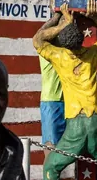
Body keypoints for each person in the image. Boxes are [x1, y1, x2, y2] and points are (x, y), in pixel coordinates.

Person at [32, 0, 97, 180]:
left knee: (51, 167)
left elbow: (38, 40)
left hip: (76, 125)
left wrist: (62, 21)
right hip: (94, 120)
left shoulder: (59, 56)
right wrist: (95, 17)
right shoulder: (92, 54)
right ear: (82, 40)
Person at [37, 11, 67, 158]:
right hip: (52, 102)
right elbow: (39, 34)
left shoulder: (69, 49)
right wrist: (56, 17)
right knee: (51, 151)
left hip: (70, 102)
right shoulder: (45, 49)